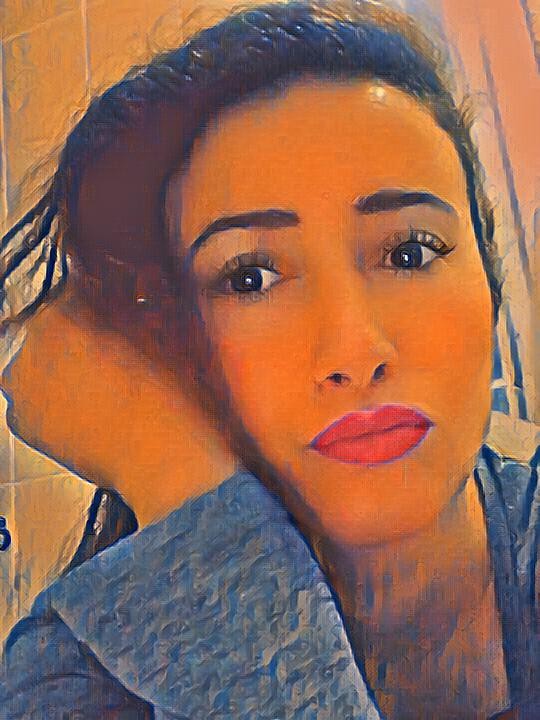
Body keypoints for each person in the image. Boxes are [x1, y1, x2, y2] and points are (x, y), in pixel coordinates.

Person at [0, 2, 538, 718]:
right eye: (250, 278)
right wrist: (173, 478)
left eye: (410, 253)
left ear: (490, 286)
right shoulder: (69, 676)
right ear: (167, 350)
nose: (355, 350)